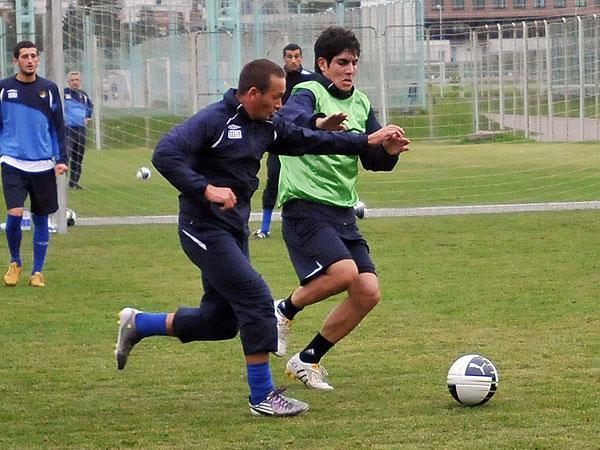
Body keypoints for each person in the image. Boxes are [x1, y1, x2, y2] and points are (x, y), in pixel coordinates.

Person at [114, 58, 408, 418]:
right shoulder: (214, 120)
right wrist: (206, 189)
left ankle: (139, 324)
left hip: (233, 229)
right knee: (256, 297)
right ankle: (262, 395)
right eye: (276, 97)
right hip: (201, 228)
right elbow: (165, 153)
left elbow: (308, 140)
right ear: (253, 94)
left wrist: (364, 140)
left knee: (221, 321)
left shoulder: (267, 124)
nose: (281, 104)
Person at [274, 27, 411, 390]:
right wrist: (321, 123)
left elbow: (370, 155)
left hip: (341, 212)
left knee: (367, 291)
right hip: (305, 205)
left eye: (354, 63)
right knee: (344, 273)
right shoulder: (308, 92)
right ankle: (284, 309)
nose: (350, 70)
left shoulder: (361, 103)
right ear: (323, 64)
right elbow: (288, 124)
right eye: (342, 63)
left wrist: (388, 153)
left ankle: (307, 359)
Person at [0, 41, 68, 288]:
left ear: (38, 60)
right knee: (15, 213)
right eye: (25, 56)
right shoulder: (4, 89)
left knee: (41, 218)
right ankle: (15, 261)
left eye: (33, 56)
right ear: (15, 60)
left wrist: (61, 159)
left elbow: (58, 126)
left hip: (42, 164)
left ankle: (37, 272)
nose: (30, 60)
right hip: (12, 162)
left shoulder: (49, 89)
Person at [253, 43, 314, 240]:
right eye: (289, 56)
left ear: (301, 57)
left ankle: (314, 223)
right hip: (279, 138)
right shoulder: (278, 80)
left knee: (309, 181)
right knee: (273, 181)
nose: (293, 60)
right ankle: (264, 228)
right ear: (284, 58)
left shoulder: (311, 79)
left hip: (302, 138)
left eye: (296, 56)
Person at [64, 71, 93, 189]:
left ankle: (74, 183)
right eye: (72, 80)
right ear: (68, 82)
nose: (75, 82)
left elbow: (89, 107)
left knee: (78, 157)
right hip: (68, 129)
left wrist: (88, 117)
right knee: (66, 155)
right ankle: (60, 184)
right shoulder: (63, 93)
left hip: (81, 129)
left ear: (80, 81)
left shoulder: (83, 95)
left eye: (77, 80)